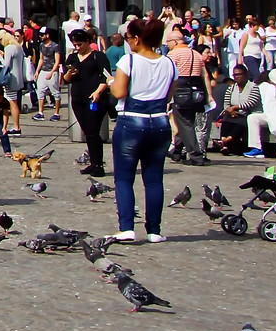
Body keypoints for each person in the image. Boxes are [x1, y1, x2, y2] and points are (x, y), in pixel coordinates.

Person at [106, 18, 176, 243]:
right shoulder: (169, 63)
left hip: (132, 120)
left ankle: (127, 227)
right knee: (154, 179)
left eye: (128, 38)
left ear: (136, 38)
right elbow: (169, 95)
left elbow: (119, 92)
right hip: (159, 121)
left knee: (124, 178)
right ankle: (154, 230)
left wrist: (109, 83)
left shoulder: (129, 61)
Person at [162, 24, 212, 165]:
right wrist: (209, 95)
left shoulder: (173, 54)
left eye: (169, 42)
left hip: (181, 90)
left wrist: (166, 96)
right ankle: (177, 152)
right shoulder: (196, 54)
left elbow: (168, 75)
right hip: (197, 91)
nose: (167, 45)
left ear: (176, 41)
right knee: (185, 121)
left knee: (185, 123)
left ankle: (196, 155)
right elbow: (205, 75)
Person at [65, 28, 112, 175]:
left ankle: (98, 165)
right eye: (75, 45)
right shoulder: (72, 58)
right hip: (78, 99)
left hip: (95, 98)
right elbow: (66, 80)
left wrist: (98, 92)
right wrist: (69, 73)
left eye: (80, 44)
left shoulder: (98, 56)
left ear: (87, 42)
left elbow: (107, 77)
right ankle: (94, 162)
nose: (77, 47)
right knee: (87, 132)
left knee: (93, 131)